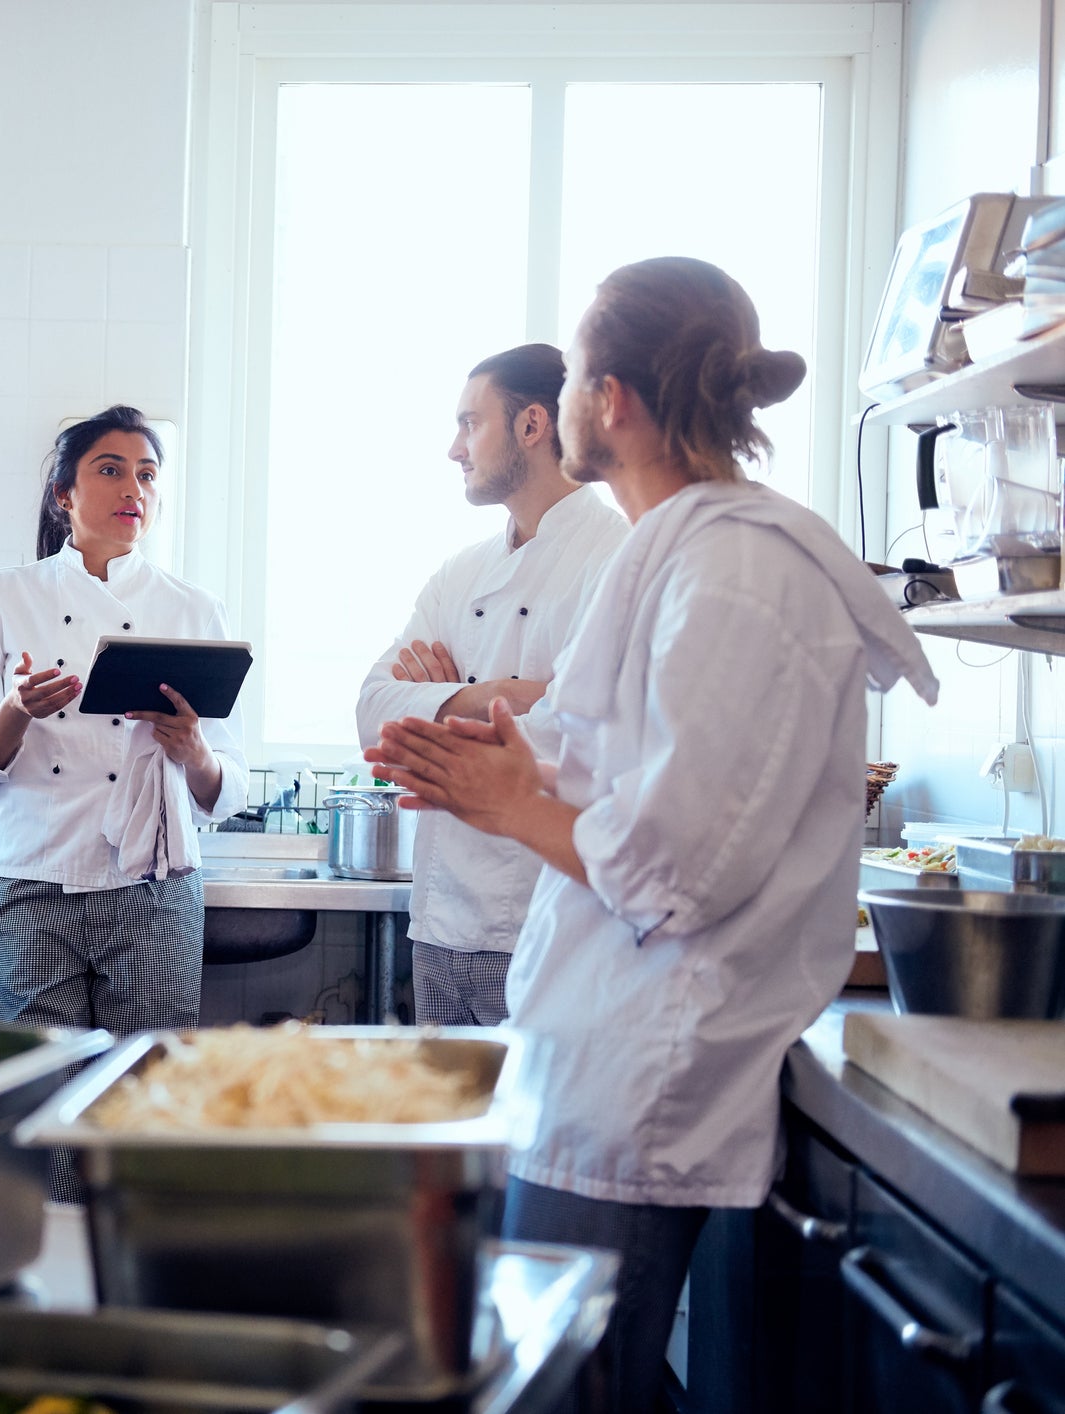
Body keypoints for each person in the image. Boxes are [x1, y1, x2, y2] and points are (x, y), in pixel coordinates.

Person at [364, 257, 938, 1413]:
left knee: (581, 1393)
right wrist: (507, 773)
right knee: (560, 1382)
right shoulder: (669, 550)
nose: (568, 392)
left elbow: (679, 865)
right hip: (589, 1049)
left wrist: (508, 803)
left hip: (647, 1070)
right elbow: (588, 755)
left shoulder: (736, 574)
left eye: (574, 372)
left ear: (609, 399)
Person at [0, 405, 247, 1054]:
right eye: (109, 470)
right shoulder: (2, 597)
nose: (133, 488)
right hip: (31, 877)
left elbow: (227, 790)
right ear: (63, 495)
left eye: (147, 474)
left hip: (153, 886)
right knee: (38, 1087)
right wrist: (14, 712)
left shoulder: (194, 610)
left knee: (146, 1095)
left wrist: (192, 751)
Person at [355, 344, 626, 1026]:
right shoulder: (459, 572)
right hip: (439, 919)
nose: (454, 448)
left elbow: (579, 735)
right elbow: (372, 713)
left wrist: (436, 715)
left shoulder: (615, 557)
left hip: (542, 914)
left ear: (531, 426)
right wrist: (495, 695)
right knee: (440, 1125)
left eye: (469, 423)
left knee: (532, 1125)